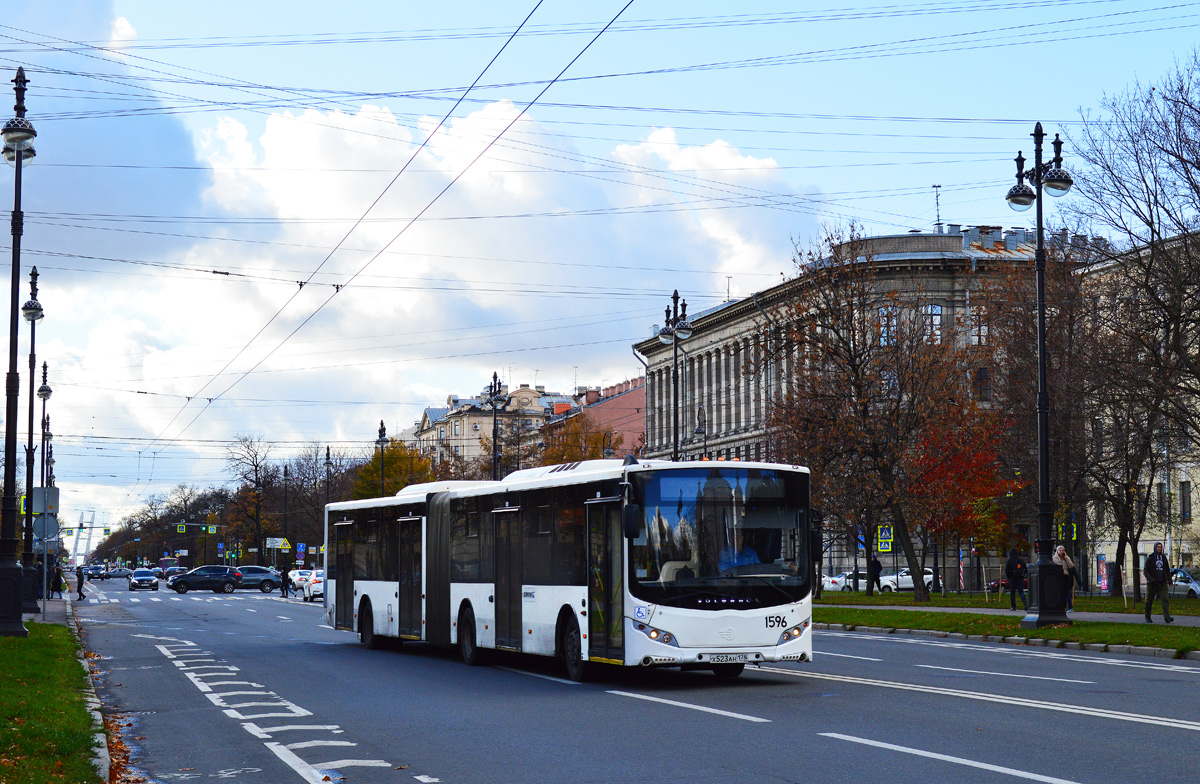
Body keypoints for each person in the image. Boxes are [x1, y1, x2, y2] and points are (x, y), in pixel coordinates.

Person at [1143, 542, 1174, 623]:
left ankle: (1167, 617)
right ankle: (1147, 616)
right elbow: (1145, 571)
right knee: (1149, 600)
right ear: (1155, 548)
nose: (1160, 548)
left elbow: (1167, 570)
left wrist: (1170, 581)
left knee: (1165, 599)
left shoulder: (1163, 558)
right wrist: (1151, 579)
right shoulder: (1150, 558)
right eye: (1158, 547)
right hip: (1153, 583)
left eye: (1161, 547)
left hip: (1162, 583)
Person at [1052, 545, 1079, 612]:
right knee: (1058, 592)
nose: (1061, 552)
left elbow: (1071, 566)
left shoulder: (1066, 558)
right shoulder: (1054, 558)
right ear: (1057, 551)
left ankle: (1070, 607)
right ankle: (1059, 607)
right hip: (1058, 576)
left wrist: (1066, 558)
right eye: (1060, 550)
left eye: (1062, 550)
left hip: (1065, 576)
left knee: (1067, 592)